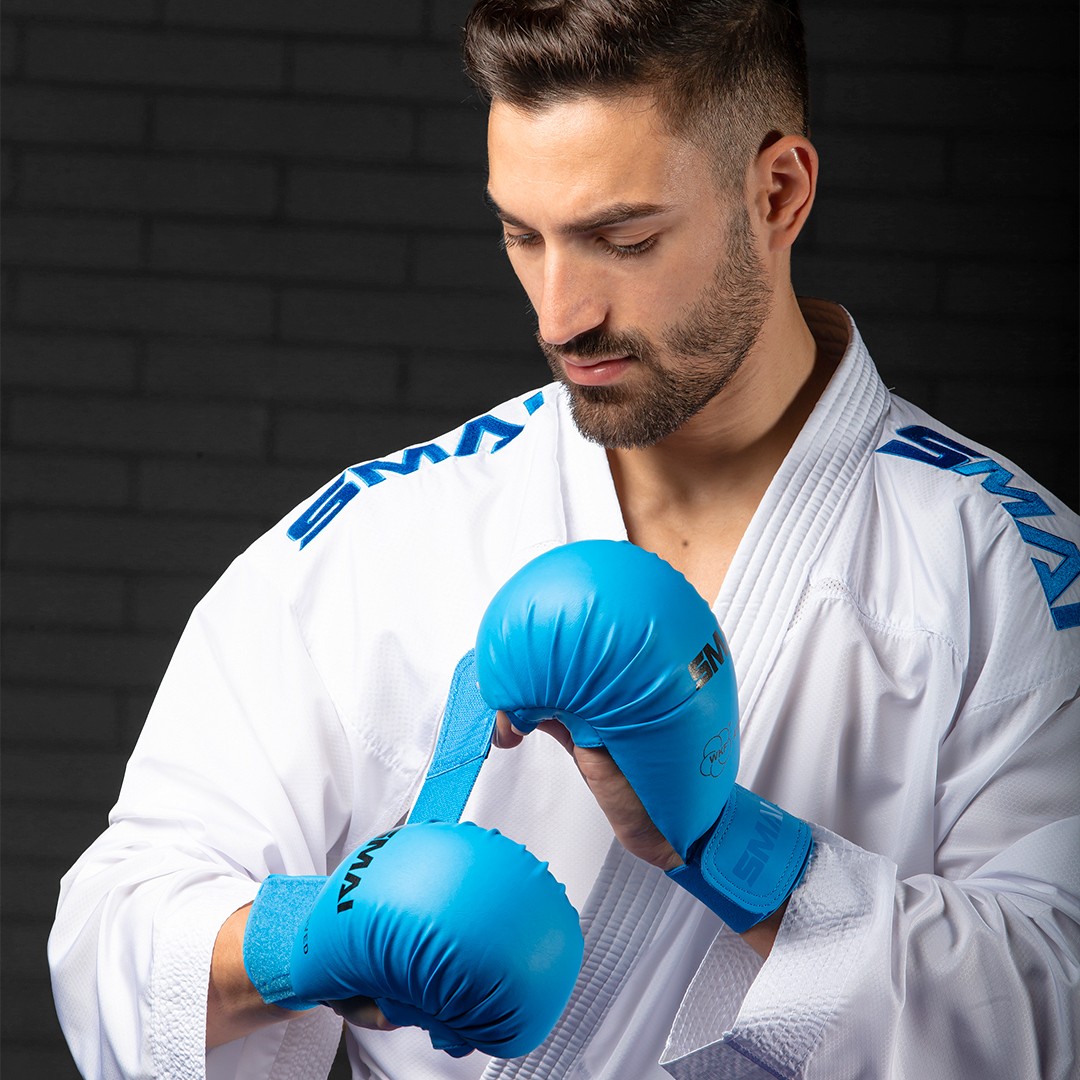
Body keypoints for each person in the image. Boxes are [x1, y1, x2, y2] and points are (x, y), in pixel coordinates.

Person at [49, 1, 1080, 1078]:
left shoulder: (1007, 571)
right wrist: (306, 937)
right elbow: (121, 922)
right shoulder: (382, 532)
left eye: (622, 239)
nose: (558, 315)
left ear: (777, 193)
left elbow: (1057, 1004)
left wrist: (742, 852)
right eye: (519, 234)